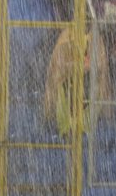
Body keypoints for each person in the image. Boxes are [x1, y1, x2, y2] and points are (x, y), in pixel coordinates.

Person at [44, 12, 111, 140]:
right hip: (67, 84)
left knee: (97, 91)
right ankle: (66, 128)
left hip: (86, 84)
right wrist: (79, 67)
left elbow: (101, 66)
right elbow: (58, 70)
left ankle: (83, 129)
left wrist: (86, 67)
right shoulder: (66, 38)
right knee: (61, 91)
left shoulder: (95, 38)